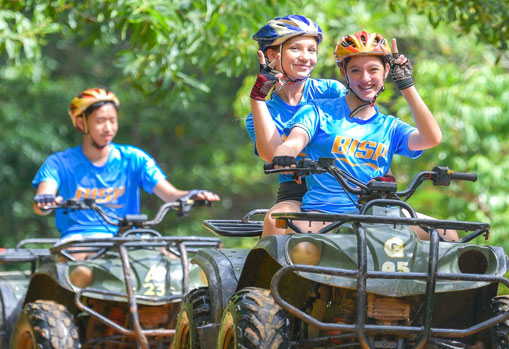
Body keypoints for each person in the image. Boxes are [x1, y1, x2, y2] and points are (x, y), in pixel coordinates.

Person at [271, 30, 458, 240]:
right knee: (295, 239)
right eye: (356, 70)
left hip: (378, 215)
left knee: (447, 234)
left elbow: (431, 138)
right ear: (344, 72)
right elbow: (296, 140)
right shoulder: (317, 111)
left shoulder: (389, 126)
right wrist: (285, 152)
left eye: (373, 70)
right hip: (324, 214)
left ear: (387, 71)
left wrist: (405, 83)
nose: (365, 78)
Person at [32, 87, 220, 241]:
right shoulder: (58, 163)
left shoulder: (134, 158)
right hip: (79, 241)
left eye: (112, 121)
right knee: (83, 272)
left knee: (168, 268)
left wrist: (191, 196)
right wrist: (46, 201)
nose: (108, 128)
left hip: (128, 240)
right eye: (100, 121)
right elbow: (43, 200)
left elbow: (171, 195)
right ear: (81, 124)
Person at [247, 15, 347, 236]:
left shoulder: (331, 91)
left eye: (312, 50)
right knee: (276, 220)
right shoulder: (264, 112)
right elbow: (272, 155)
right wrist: (257, 98)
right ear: (272, 54)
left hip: (346, 187)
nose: (306, 57)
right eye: (295, 49)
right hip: (297, 193)